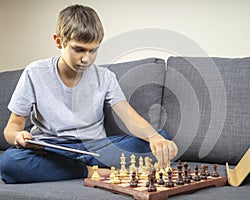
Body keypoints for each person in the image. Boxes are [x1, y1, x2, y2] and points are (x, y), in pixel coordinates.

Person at [0, 4, 178, 184]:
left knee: (161, 139)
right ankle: (93, 172)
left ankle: (75, 169)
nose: (86, 59)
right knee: (9, 163)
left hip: (96, 148)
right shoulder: (35, 72)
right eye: (78, 49)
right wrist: (18, 137)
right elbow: (11, 129)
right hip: (52, 149)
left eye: (93, 50)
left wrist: (155, 138)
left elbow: (129, 117)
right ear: (59, 41)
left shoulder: (106, 77)